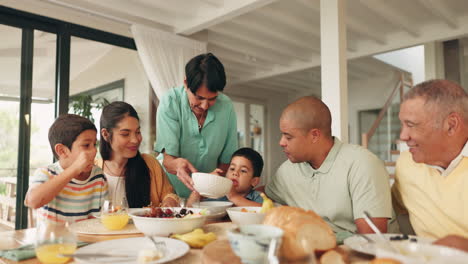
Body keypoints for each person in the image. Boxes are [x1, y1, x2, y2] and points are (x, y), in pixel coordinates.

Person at [266, 96, 394, 234]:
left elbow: (371, 239)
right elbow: (264, 197)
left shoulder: (363, 164)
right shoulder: (288, 169)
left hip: (364, 252)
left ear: (314, 135)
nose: (281, 142)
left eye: (288, 137)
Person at [392, 79, 468, 240]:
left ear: (451, 125)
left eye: (411, 124)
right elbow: (393, 209)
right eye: (402, 124)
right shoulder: (406, 164)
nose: (403, 136)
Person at [155, 53, 238, 198]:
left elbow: (226, 161)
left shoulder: (226, 107)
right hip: (170, 192)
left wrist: (208, 188)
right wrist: (177, 165)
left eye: (212, 99)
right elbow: (168, 161)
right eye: (199, 98)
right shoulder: (170, 101)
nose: (205, 106)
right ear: (186, 84)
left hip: (209, 193)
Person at [25, 114, 108, 223]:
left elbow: (104, 218)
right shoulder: (46, 173)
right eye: (86, 145)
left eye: (94, 144)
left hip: (87, 239)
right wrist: (74, 169)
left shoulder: (98, 177)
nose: (94, 151)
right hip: (53, 240)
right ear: (62, 151)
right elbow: (33, 201)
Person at [97, 101, 179, 208]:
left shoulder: (149, 163)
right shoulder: (94, 170)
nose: (135, 140)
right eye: (125, 134)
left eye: (138, 132)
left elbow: (169, 194)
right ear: (106, 134)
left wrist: (170, 201)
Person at [187, 147, 264, 207]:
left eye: (243, 170)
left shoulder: (257, 197)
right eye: (232, 169)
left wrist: (234, 197)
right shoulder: (218, 194)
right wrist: (202, 185)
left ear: (254, 181)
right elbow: (190, 207)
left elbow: (266, 211)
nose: (235, 173)